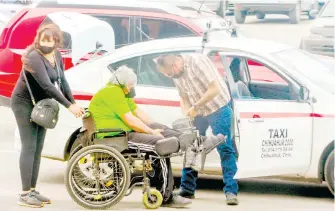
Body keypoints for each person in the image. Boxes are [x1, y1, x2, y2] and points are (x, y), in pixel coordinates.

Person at [88, 65, 226, 208]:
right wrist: (151, 131)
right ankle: (167, 196)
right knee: (162, 144)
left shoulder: (120, 93)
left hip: (123, 134)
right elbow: (130, 120)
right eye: (130, 85)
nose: (131, 88)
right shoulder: (113, 92)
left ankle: (198, 142)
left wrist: (155, 126)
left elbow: (138, 114)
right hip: (117, 138)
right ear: (121, 82)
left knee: (160, 129)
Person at [10, 23, 85, 208]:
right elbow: (47, 85)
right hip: (24, 103)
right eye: (42, 40)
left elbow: (62, 81)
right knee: (29, 147)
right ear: (38, 39)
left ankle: (32, 190)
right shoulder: (35, 56)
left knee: (38, 147)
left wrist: (73, 101)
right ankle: (25, 194)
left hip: (40, 105)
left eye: (49, 41)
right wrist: (69, 106)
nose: (45, 43)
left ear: (56, 41)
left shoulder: (56, 55)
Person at [156, 53, 239, 205]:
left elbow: (214, 89)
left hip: (218, 108)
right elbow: (183, 96)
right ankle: (187, 189)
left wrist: (195, 107)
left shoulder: (198, 62)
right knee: (191, 147)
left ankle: (231, 191)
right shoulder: (176, 75)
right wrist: (188, 112)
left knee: (225, 148)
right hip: (198, 111)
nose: (170, 77)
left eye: (169, 73)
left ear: (175, 64)